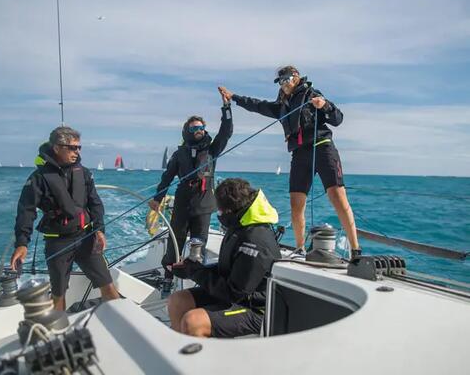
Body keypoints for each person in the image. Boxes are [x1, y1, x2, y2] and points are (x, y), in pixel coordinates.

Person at [218, 65, 361, 256]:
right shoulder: (281, 106)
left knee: (338, 197)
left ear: (296, 77)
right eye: (281, 82)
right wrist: (234, 97)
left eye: (286, 80)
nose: (284, 84)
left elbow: (338, 119)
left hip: (323, 147)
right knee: (296, 202)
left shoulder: (311, 94)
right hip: (300, 153)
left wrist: (324, 105)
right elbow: (257, 105)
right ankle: (300, 247)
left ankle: (355, 249)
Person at [10, 126, 119, 311]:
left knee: (107, 284)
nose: (77, 152)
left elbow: (95, 203)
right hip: (57, 243)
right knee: (59, 293)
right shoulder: (38, 178)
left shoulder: (83, 173)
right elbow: (26, 212)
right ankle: (60, 330)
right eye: (72, 148)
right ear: (56, 148)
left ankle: (121, 321)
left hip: (86, 237)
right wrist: (22, 243)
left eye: (79, 147)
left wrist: (99, 230)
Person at [167, 178, 281, 338]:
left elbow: (234, 293)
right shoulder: (240, 224)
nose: (218, 214)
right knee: (177, 301)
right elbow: (228, 269)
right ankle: (178, 350)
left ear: (229, 211)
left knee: (193, 321)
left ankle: (197, 360)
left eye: (219, 211)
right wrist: (190, 269)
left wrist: (196, 273)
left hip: (258, 309)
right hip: (236, 295)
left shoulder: (255, 240)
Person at [149, 93, 233, 296]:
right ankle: (168, 278)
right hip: (183, 201)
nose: (199, 131)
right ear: (187, 130)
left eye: (201, 127)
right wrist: (158, 198)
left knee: (199, 244)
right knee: (175, 242)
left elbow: (226, 132)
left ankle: (198, 283)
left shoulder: (213, 149)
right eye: (194, 128)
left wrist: (226, 107)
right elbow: (167, 176)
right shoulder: (180, 154)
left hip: (204, 201)